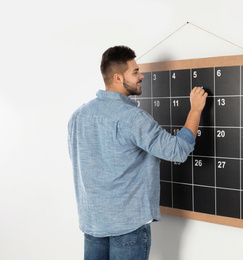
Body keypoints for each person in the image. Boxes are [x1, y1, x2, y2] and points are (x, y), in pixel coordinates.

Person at [67, 45, 207, 260]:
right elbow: (177, 151)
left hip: (92, 224)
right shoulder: (133, 118)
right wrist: (196, 109)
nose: (141, 76)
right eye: (135, 72)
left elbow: (78, 160)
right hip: (127, 227)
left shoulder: (78, 116)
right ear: (117, 77)